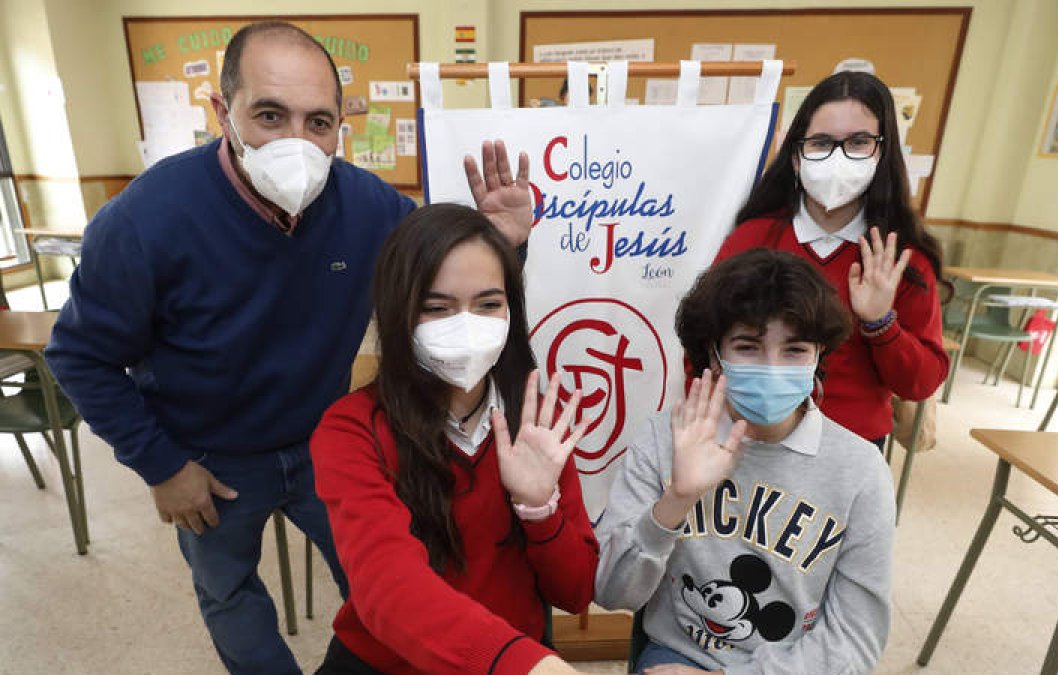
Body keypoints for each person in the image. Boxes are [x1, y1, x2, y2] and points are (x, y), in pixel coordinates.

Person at [44, 21, 533, 675]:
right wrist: (161, 464)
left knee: (386, 580)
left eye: (319, 121)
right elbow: (79, 355)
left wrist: (502, 242)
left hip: (325, 441)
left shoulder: (369, 206)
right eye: (270, 115)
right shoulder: (143, 221)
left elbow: (445, 280)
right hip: (205, 458)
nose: (297, 143)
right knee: (228, 591)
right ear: (223, 112)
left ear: (341, 127)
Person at [310, 203, 597, 674]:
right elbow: (387, 587)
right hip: (404, 662)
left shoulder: (535, 420)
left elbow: (576, 590)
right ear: (398, 311)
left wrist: (539, 509)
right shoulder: (351, 428)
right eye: (436, 308)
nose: (466, 324)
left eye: (488, 304)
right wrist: (524, 665)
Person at [594, 248, 895, 674]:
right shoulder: (664, 439)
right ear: (713, 355)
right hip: (680, 656)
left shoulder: (861, 470)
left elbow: (856, 641)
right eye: (748, 347)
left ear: (818, 354)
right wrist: (675, 501)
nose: (772, 368)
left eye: (794, 350)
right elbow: (611, 592)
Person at [716, 70, 948, 447]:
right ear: (796, 156)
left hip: (850, 446)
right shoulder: (752, 239)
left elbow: (920, 383)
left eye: (858, 142)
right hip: (750, 440)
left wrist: (880, 323)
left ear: (882, 152)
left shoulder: (901, 258)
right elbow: (701, 349)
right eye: (821, 142)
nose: (837, 157)